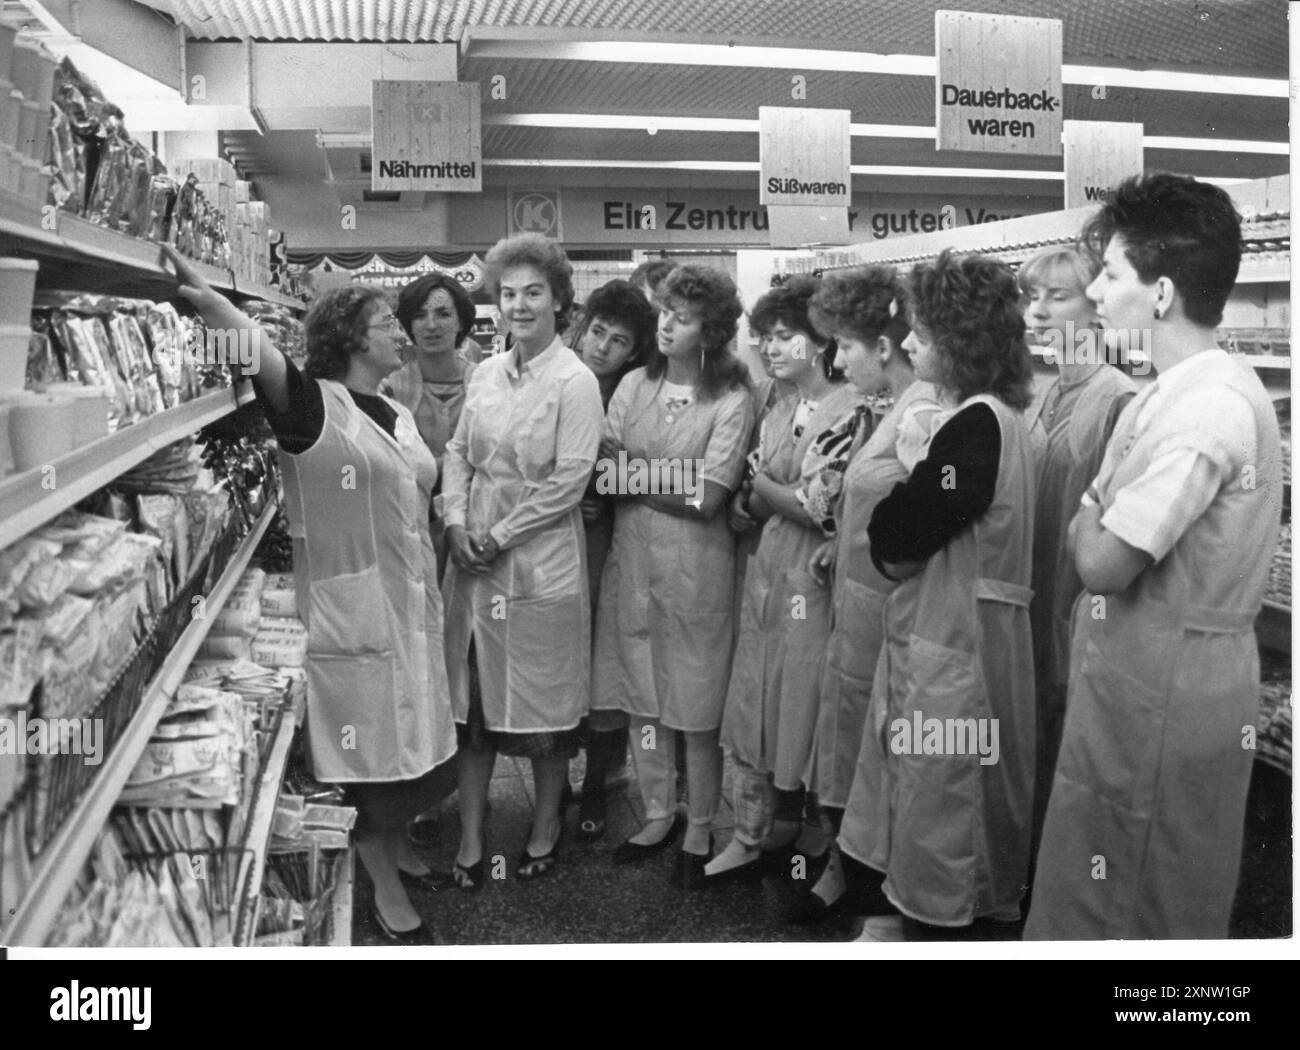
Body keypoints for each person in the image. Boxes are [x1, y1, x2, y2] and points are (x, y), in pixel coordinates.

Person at [163, 248, 457, 945]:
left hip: (409, 603)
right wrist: (209, 303)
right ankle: (381, 880)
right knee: (368, 757)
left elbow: (422, 482)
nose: (403, 333)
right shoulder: (310, 407)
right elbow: (262, 356)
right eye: (389, 322)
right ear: (353, 337)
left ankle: (398, 850)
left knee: (413, 742)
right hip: (350, 610)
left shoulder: (395, 407)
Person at [1026, 173, 1282, 940]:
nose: (1097, 294)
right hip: (1137, 683)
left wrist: (1090, 511)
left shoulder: (1208, 408)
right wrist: (1092, 516)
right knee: (1098, 878)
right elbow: (1093, 527)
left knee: (1144, 901)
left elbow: (1103, 561)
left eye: (1110, 274)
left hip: (1171, 697)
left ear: (1162, 292)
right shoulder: (1164, 392)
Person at [839, 250, 1038, 940]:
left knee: (943, 816)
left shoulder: (973, 427)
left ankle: (929, 929)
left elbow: (897, 534)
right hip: (963, 646)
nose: (912, 343)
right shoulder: (1002, 417)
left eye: (922, 332)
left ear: (958, 340)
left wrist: (893, 505)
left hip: (956, 654)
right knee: (951, 808)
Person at [438, 233, 603, 886]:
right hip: (473, 561)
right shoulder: (483, 372)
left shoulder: (576, 382)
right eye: (508, 294)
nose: (519, 305)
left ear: (560, 300)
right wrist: (454, 521)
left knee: (546, 718)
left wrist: (499, 536)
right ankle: (473, 834)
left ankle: (544, 824)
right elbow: (456, 452)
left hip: (537, 563)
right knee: (475, 710)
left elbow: (569, 480)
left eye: (534, 292)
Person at [781, 267, 939, 923]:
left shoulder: (925, 411)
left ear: (886, 343)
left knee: (880, 753)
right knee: (849, 744)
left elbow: (928, 522)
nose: (839, 359)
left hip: (892, 612)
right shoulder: (890, 405)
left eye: (847, 345)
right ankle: (849, 870)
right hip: (859, 604)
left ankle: (878, 895)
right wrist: (839, 537)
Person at [591, 265, 754, 888]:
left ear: (709, 330)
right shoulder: (634, 384)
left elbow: (710, 496)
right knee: (644, 700)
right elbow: (603, 471)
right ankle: (657, 813)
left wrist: (636, 475)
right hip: (632, 564)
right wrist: (665, 479)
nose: (665, 325)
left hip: (696, 573)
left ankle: (700, 825)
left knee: (695, 705)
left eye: (681, 318)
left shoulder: (732, 399)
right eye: (663, 312)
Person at [704, 278, 865, 885]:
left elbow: (818, 505)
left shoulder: (853, 408)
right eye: (765, 338)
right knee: (754, 700)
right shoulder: (775, 400)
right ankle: (750, 832)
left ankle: (820, 844)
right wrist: (765, 497)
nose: (771, 349)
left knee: (805, 702)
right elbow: (770, 494)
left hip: (813, 580)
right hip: (769, 567)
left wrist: (763, 490)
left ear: (822, 340)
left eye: (784, 337)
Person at [1019, 245, 1136, 872]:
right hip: (1032, 600)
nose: (1036, 312)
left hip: (1077, 609)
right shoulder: (1040, 391)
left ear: (1096, 307)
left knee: (1072, 750)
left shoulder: (1119, 398)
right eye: (1031, 296)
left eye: (1055, 297)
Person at [571, 279, 657, 841]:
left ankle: (598, 783)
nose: (601, 347)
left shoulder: (630, 396)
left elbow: (643, 477)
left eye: (618, 340)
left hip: (605, 546)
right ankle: (552, 778)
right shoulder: (554, 377)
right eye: (597, 332)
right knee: (556, 659)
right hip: (548, 540)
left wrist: (604, 482)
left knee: (604, 665)